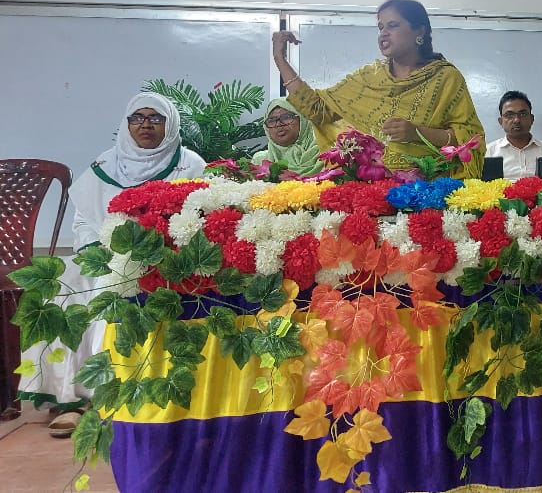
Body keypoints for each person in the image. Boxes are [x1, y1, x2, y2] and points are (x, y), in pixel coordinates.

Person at [18, 93, 206, 437]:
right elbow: (83, 222)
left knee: (120, 289)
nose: (146, 125)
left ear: (170, 124)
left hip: (164, 260)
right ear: (126, 123)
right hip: (105, 255)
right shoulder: (104, 165)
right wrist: (99, 251)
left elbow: (198, 218)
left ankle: (125, 391)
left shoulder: (190, 165)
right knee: (65, 286)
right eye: (137, 118)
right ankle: (73, 398)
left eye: (155, 118)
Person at [273, 0, 485, 179]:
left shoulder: (446, 78)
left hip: (427, 192)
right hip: (371, 190)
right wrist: (280, 59)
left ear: (419, 31)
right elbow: (317, 109)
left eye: (392, 25)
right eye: (380, 27)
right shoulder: (368, 77)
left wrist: (418, 133)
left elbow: (469, 138)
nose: (383, 34)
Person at [250, 98, 324, 176]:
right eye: (272, 120)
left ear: (303, 120)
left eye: (286, 117)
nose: (278, 124)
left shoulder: (325, 154)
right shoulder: (260, 161)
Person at [485, 90, 542, 180]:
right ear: (500, 121)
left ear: (532, 119)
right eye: (509, 115)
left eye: (523, 114)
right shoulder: (488, 153)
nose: (516, 120)